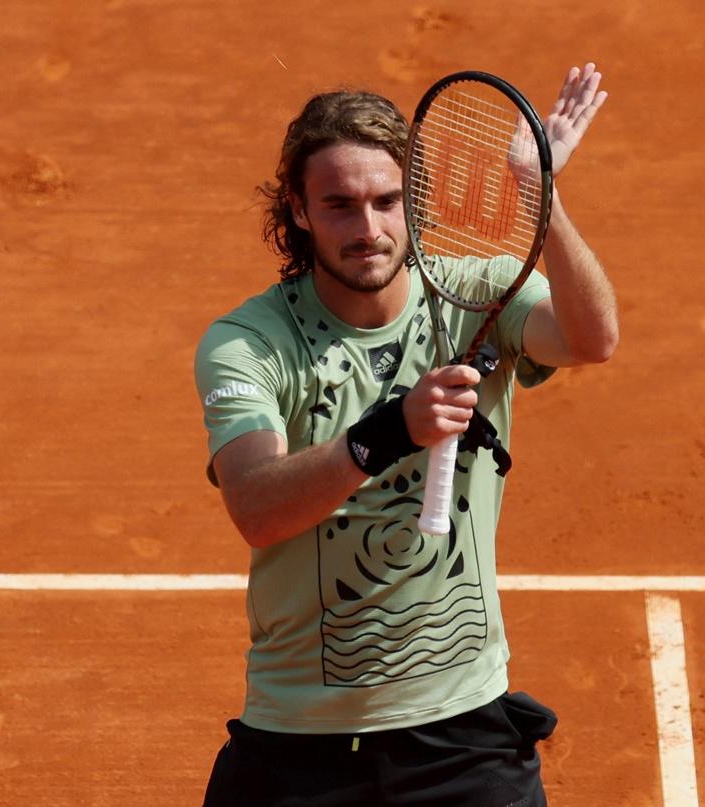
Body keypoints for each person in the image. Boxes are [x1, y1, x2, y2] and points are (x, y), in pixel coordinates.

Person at [195, 63, 619, 806]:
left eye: (388, 201)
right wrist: (391, 429)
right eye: (339, 205)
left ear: (413, 199)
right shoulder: (248, 343)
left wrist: (540, 195)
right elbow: (257, 507)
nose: (368, 229)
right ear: (297, 208)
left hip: (463, 737)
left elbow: (592, 337)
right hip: (300, 739)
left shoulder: (480, 293)